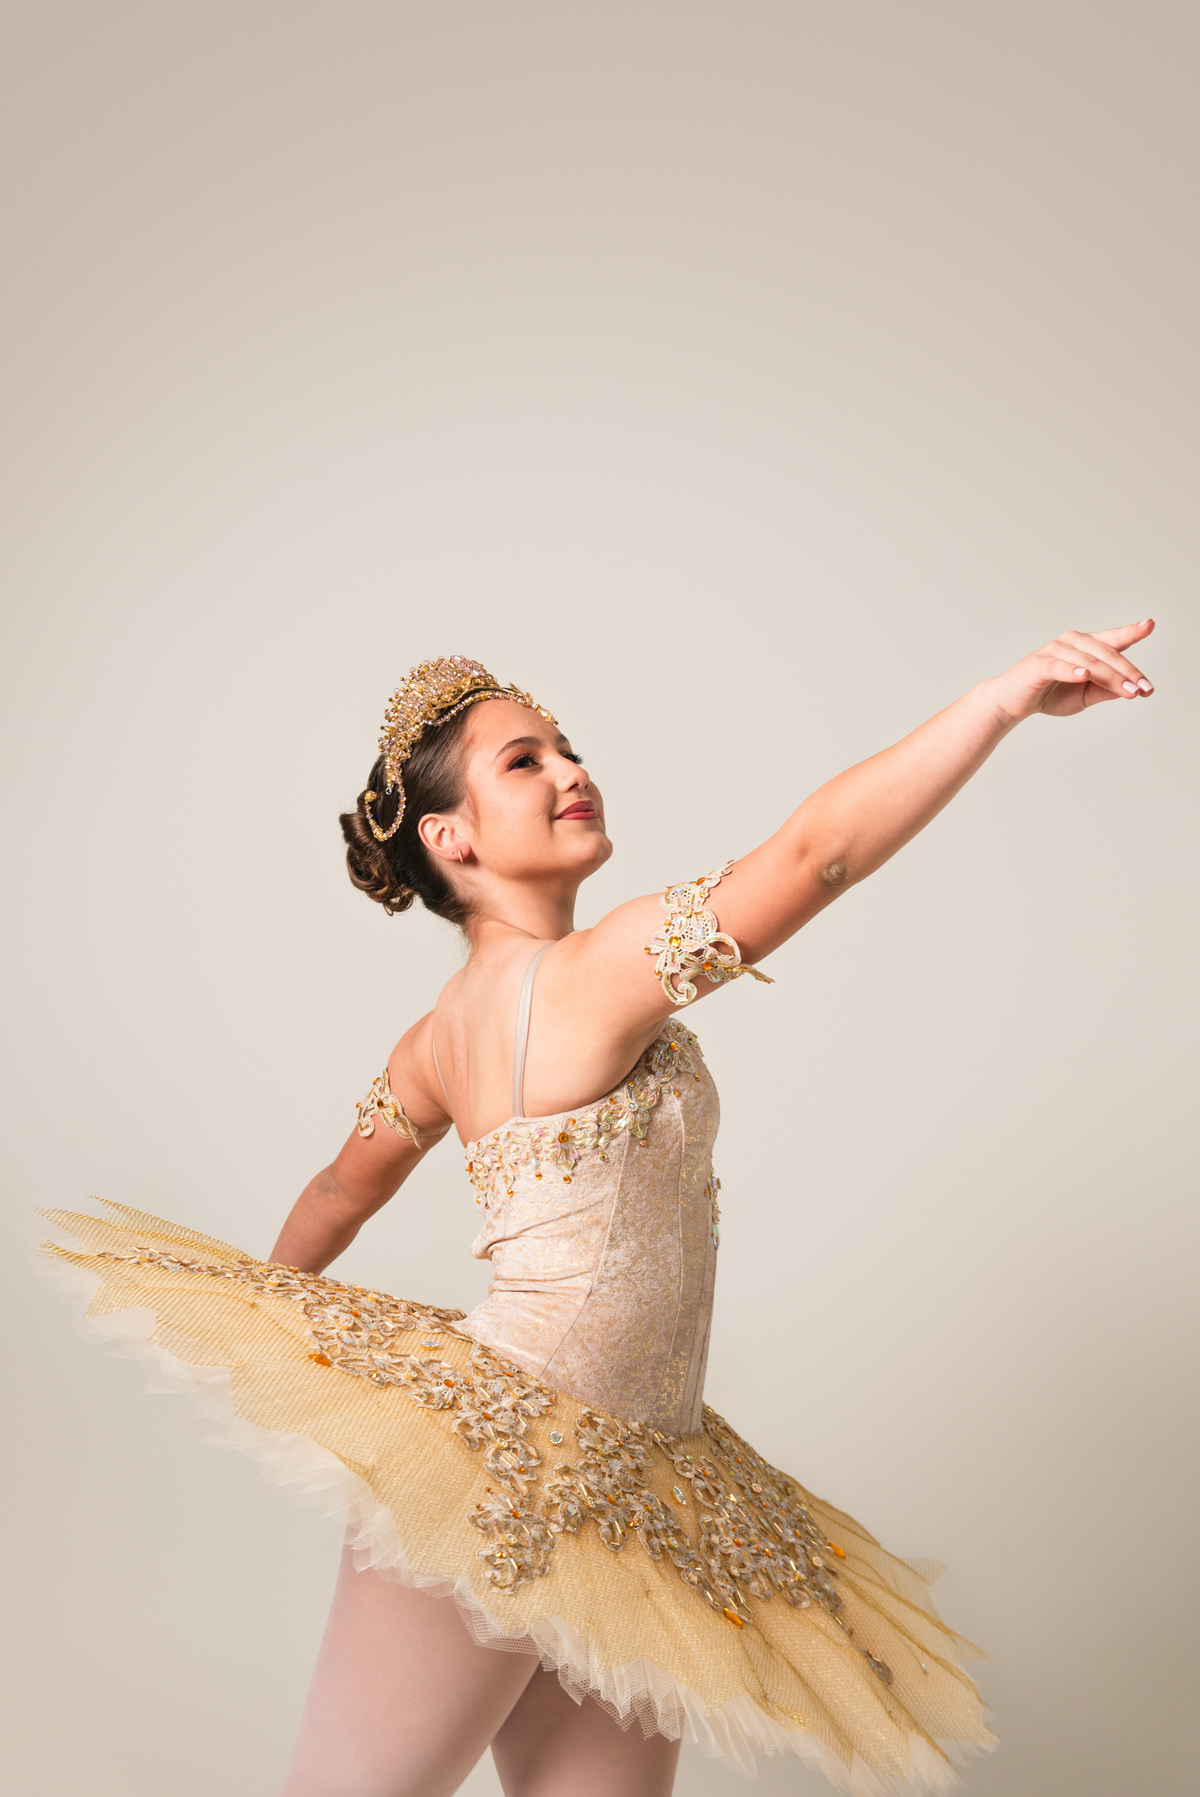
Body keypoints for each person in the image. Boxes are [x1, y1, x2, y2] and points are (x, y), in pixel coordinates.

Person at [44, 625, 1156, 1797]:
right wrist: (997, 702)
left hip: (632, 1503)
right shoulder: (594, 971)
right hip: (507, 1473)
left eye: (567, 747)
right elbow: (817, 856)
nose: (572, 770)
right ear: (451, 837)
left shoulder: (439, 1036)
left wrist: (265, 1324)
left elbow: (335, 1193)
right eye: (524, 761)